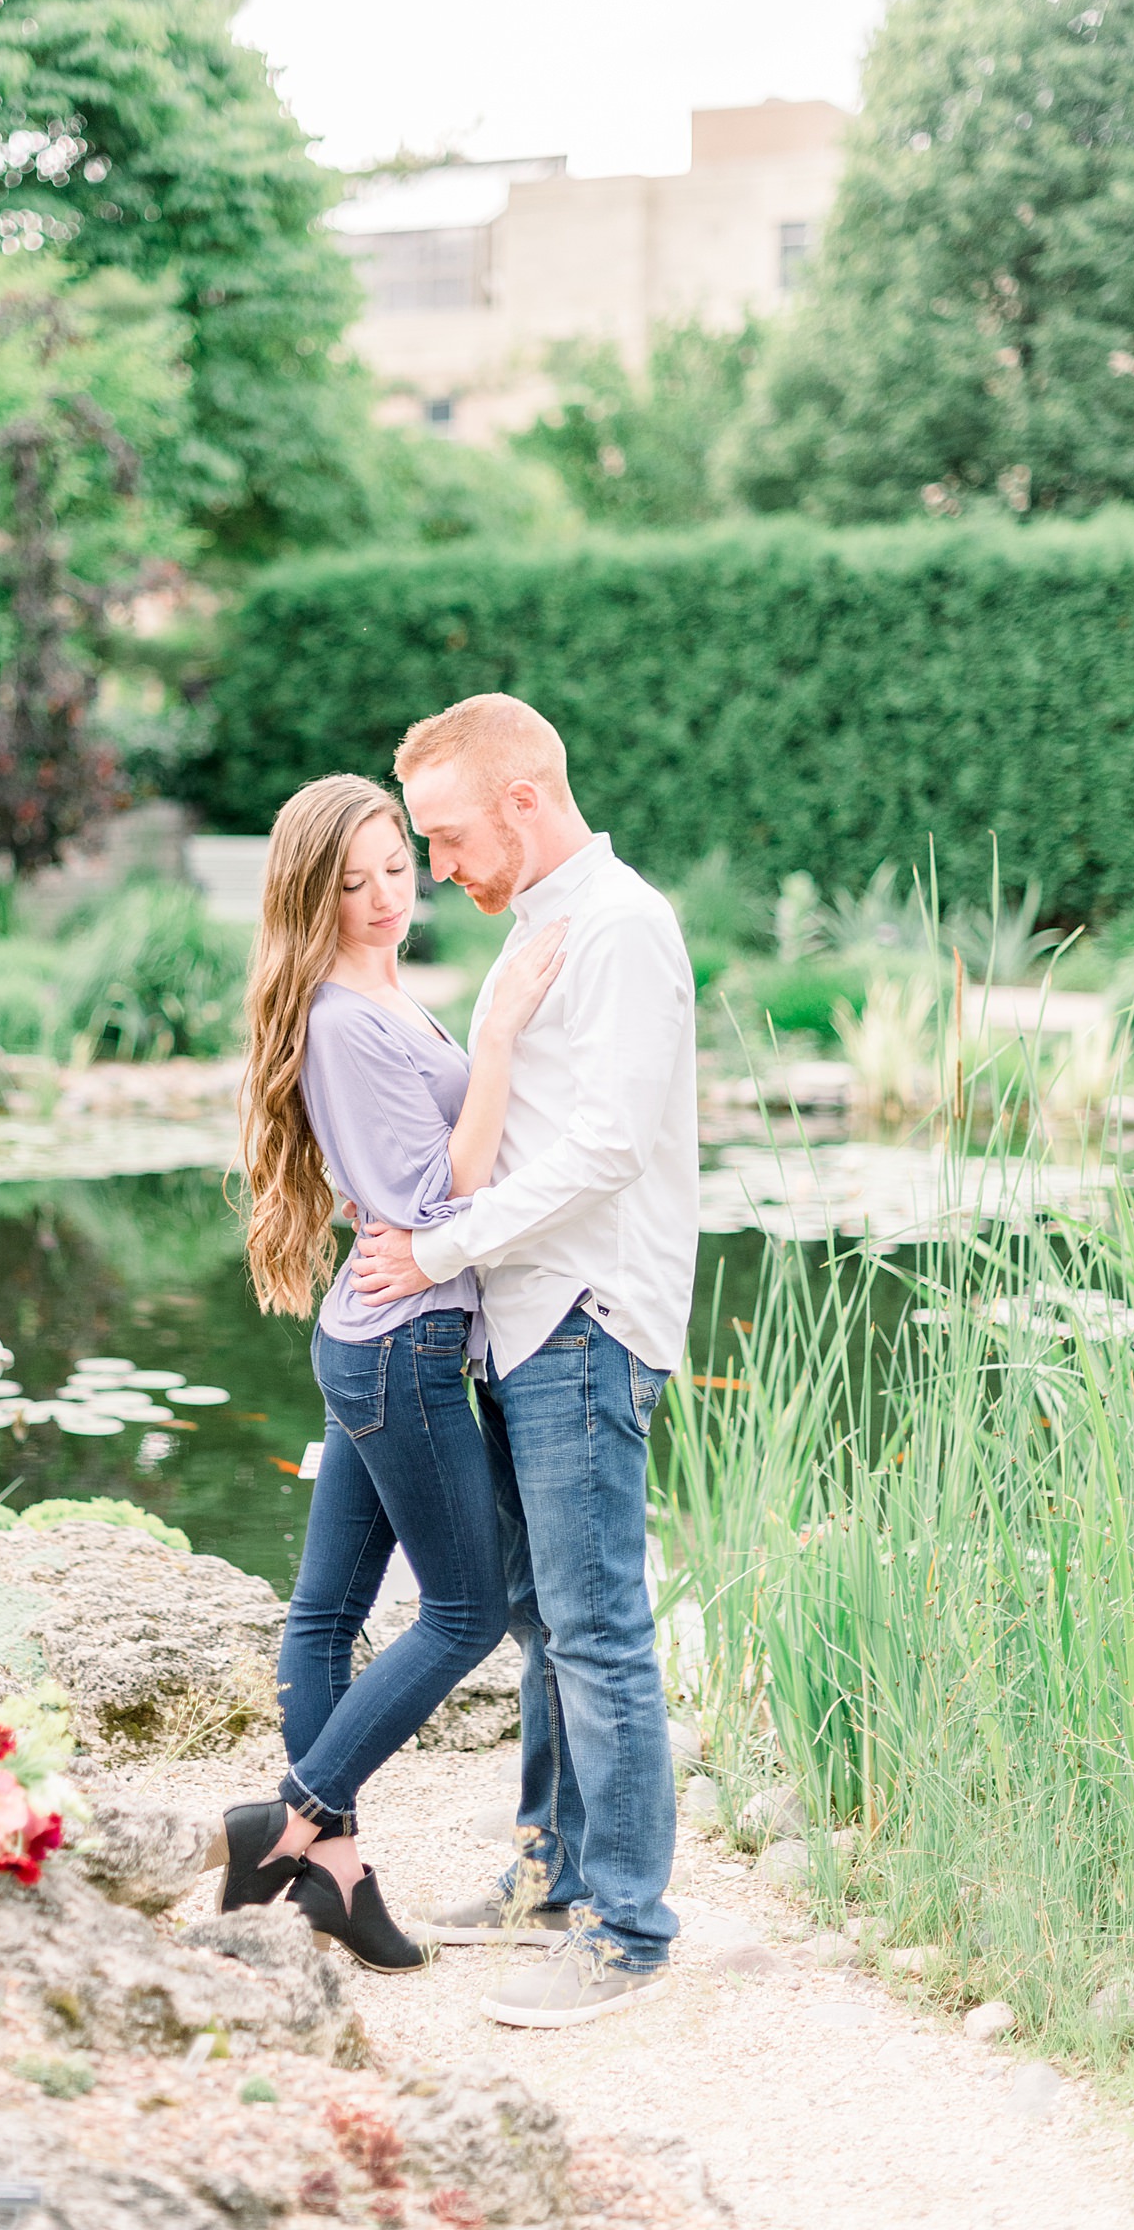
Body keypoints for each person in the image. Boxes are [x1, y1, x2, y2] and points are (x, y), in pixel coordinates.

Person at [349, 692, 698, 2028]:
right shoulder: (540, 934)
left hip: (587, 1318)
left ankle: (627, 1929)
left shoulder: (618, 928)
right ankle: (550, 1879)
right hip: (522, 1316)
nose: (438, 870)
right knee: (545, 1619)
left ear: (521, 800)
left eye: (444, 838)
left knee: (599, 1630)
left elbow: (606, 1146)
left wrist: (438, 1256)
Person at [204, 770, 567, 1972]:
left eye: (396, 870)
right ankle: (291, 1825)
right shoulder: (348, 1021)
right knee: (462, 1615)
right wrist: (505, 1031)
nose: (381, 898)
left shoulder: (381, 998)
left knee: (326, 1616)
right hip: (402, 1348)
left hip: (375, 1336)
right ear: (312, 892)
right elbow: (436, 1202)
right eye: (351, 882)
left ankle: (335, 1877)